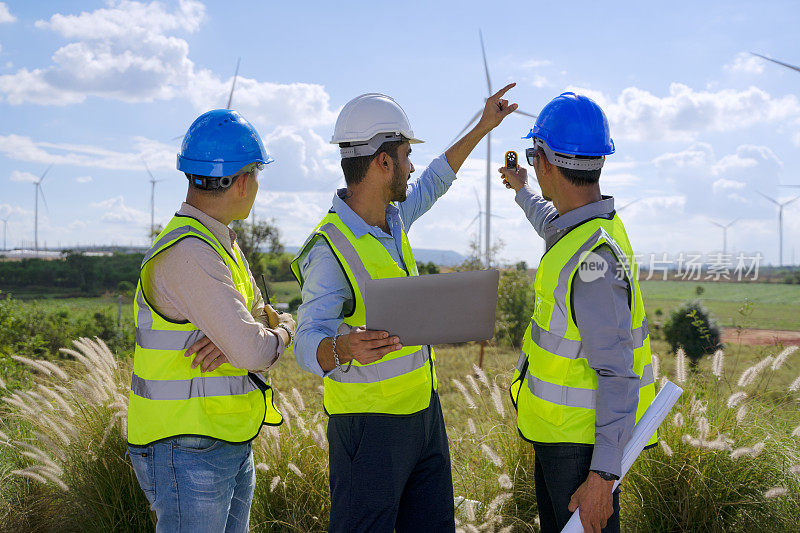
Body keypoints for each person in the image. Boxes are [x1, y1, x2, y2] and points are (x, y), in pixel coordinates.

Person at [290, 86, 518, 532]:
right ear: (383, 162)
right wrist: (343, 347)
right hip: (369, 430)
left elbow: (436, 178)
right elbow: (305, 340)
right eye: (406, 154)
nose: (412, 165)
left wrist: (484, 126)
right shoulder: (330, 247)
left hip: (424, 416)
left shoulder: (393, 221)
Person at [126, 109, 295, 532]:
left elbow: (254, 323)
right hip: (188, 448)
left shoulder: (219, 244)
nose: (256, 186)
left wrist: (239, 333)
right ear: (241, 182)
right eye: (256, 175)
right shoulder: (191, 253)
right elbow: (255, 348)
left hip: (224, 439)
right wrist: (283, 329)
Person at [500, 92, 656, 533]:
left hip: (580, 452)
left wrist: (602, 478)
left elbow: (619, 373)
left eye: (533, 156)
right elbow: (550, 221)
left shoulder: (593, 263)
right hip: (562, 439)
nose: (532, 164)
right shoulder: (590, 226)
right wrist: (521, 189)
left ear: (547, 159)